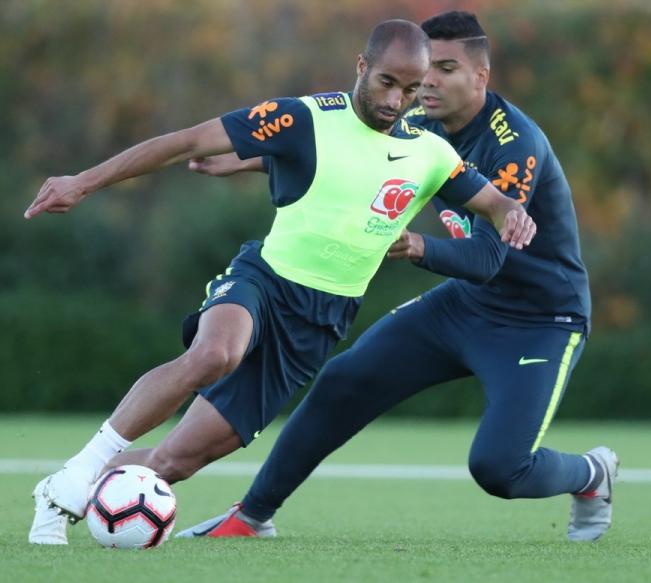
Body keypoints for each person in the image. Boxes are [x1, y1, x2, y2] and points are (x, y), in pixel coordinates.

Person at [27, 19, 535, 545]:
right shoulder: (302, 117)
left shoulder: (429, 153)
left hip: (318, 324)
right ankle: (86, 467)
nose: (397, 99)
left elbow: (490, 201)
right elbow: (186, 142)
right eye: (387, 82)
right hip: (264, 281)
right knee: (215, 354)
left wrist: (510, 214)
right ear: (362, 67)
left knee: (173, 460)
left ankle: (56, 491)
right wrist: (82, 183)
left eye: (410, 89)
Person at [176, 11, 617, 543]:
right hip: (466, 305)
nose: (427, 81)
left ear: (481, 76)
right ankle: (251, 517)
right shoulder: (416, 121)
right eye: (427, 67)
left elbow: (487, 258)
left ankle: (593, 475)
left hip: (542, 319)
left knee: (499, 468)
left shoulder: (514, 143)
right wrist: (249, 162)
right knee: (343, 381)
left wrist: (415, 246)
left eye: (447, 69)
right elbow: (347, 160)